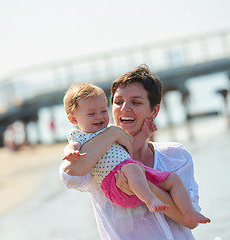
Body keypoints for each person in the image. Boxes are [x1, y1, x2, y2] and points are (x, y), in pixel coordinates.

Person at [59, 65, 208, 239]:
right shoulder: (94, 159)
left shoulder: (175, 155)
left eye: (136, 102)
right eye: (118, 102)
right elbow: (69, 174)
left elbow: (190, 222)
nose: (124, 108)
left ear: (154, 110)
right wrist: (113, 132)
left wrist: (143, 187)